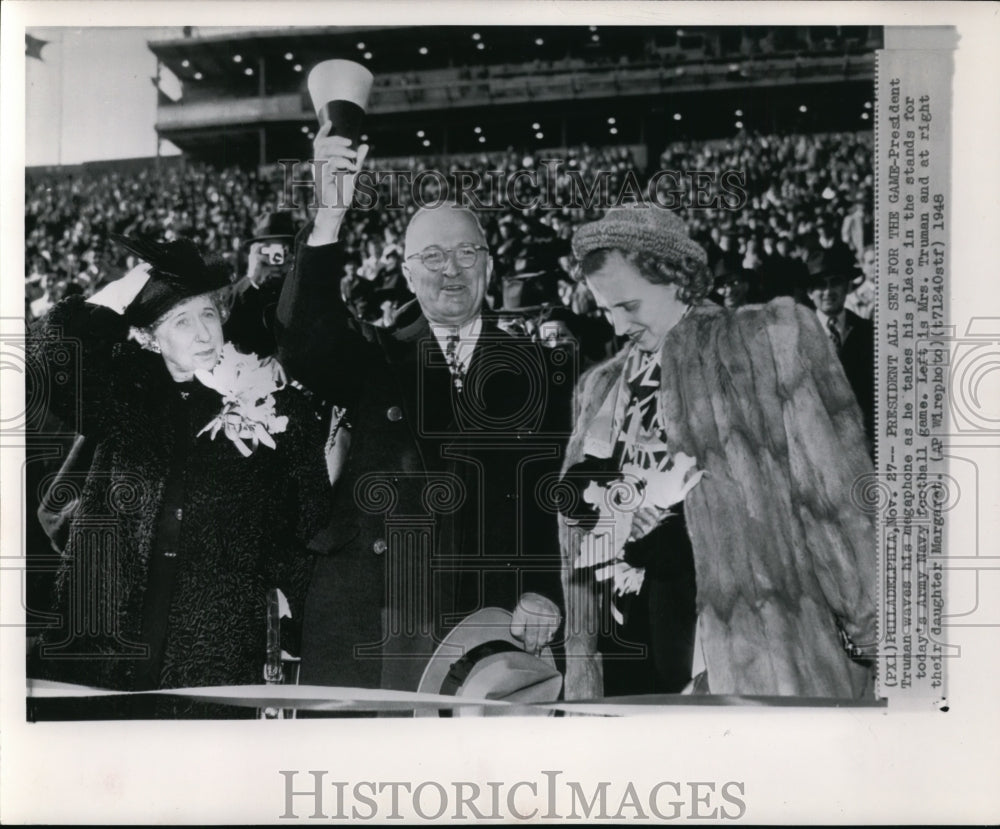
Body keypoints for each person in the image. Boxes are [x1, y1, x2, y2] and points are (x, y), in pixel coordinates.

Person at [275, 125, 570, 694]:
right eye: (432, 256)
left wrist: (544, 588)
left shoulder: (541, 371)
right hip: (376, 609)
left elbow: (554, 491)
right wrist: (329, 219)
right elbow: (304, 341)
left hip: (493, 617)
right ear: (407, 273)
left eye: (466, 253)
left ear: (489, 266)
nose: (451, 269)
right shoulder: (373, 356)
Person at [560, 205, 876, 699]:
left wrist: (872, 626)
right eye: (605, 311)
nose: (618, 328)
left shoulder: (764, 347)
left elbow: (834, 502)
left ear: (676, 281)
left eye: (630, 307)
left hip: (742, 656)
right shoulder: (600, 388)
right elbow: (578, 530)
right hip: (626, 651)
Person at [27, 235, 329, 718]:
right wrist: (120, 294)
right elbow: (46, 358)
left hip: (211, 646)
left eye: (209, 314)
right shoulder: (126, 392)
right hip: (109, 633)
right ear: (149, 337)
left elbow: (306, 517)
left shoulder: (269, 401)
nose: (203, 333)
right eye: (181, 321)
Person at [804, 246, 875, 449]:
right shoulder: (797, 336)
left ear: (846, 287)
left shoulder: (868, 332)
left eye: (835, 282)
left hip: (862, 444)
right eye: (820, 285)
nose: (828, 292)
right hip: (816, 444)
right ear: (810, 292)